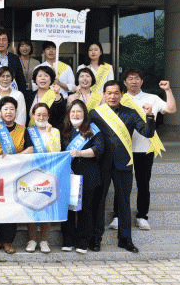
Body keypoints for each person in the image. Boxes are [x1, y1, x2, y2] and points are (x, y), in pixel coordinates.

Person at [90, 80, 155, 253]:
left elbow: (147, 133)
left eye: (116, 93)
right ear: (104, 94)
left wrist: (150, 116)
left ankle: (125, 239)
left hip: (123, 163)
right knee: (99, 201)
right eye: (109, 93)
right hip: (100, 164)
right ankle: (96, 238)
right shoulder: (95, 113)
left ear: (122, 94)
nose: (112, 96)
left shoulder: (131, 113)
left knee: (124, 202)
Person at [108, 70, 177, 231]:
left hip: (145, 148)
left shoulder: (152, 98)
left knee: (143, 184)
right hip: (123, 148)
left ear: (142, 81)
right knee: (120, 184)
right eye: (130, 78)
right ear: (125, 82)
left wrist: (168, 90)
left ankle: (142, 216)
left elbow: (171, 109)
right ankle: (117, 216)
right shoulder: (119, 98)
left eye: (137, 78)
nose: (133, 81)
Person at [0, 96, 34, 254]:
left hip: (14, 173)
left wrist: (14, 157)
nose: (9, 112)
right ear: (1, 112)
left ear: (16, 112)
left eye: (12, 109)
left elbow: (30, 149)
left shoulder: (22, 129)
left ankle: (8, 241)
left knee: (11, 206)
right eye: (5, 109)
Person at [60, 100, 104, 254]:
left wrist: (80, 153)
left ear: (85, 114)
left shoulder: (93, 130)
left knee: (86, 209)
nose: (75, 114)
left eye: (79, 111)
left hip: (88, 174)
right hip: (67, 175)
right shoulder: (63, 130)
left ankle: (83, 241)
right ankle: (67, 240)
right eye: (72, 111)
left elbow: (99, 149)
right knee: (68, 209)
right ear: (68, 114)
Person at [25, 103, 61, 254]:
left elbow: (56, 151)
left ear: (48, 116)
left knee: (47, 208)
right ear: (33, 116)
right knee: (32, 207)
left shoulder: (55, 131)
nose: (41, 117)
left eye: (44, 115)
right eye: (38, 114)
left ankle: (44, 241)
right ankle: (32, 240)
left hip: (49, 174)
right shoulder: (28, 131)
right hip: (31, 174)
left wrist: (49, 132)